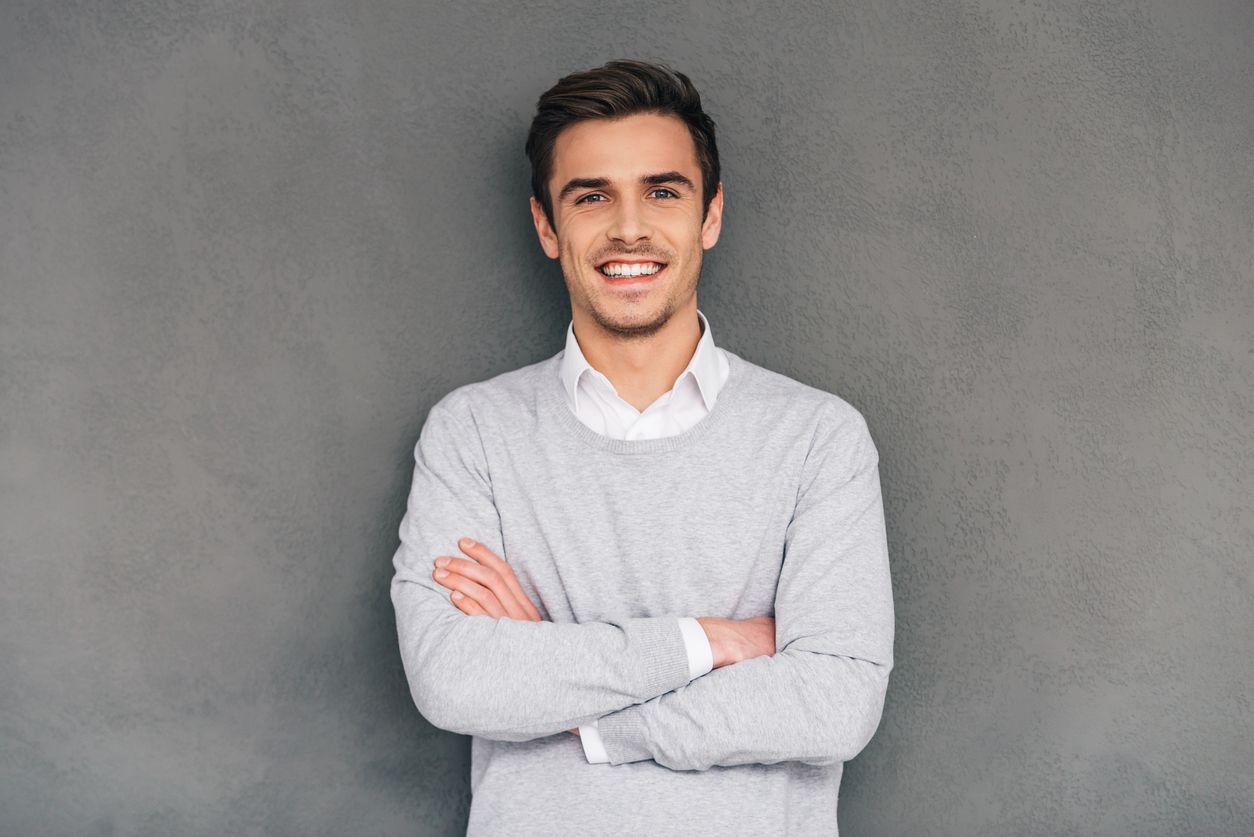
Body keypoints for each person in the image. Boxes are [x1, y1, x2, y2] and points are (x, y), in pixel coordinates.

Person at [390, 59, 894, 836]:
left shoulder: (818, 438)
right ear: (546, 226)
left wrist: (575, 705)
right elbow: (455, 681)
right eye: (592, 197)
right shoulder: (473, 434)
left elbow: (835, 703)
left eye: (663, 191)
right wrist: (713, 642)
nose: (630, 227)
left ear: (711, 215)